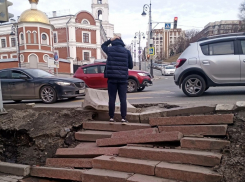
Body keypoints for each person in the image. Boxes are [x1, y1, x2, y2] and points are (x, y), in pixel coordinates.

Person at [101, 36, 133, 125]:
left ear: (113, 42)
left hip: (112, 79)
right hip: (123, 79)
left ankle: (111, 117)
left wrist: (110, 40)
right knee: (123, 99)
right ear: (122, 42)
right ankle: (123, 118)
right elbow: (130, 66)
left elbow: (103, 45)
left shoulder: (109, 50)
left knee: (112, 98)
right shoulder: (127, 52)